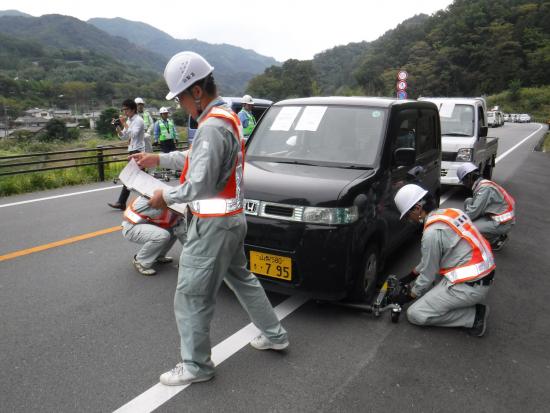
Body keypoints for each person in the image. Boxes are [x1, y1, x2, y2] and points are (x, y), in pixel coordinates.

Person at [130, 51, 289, 386]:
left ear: (197, 91)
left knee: (190, 296)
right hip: (231, 219)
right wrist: (159, 159)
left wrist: (164, 196)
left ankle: (197, 366)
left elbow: (199, 182)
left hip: (212, 226)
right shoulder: (226, 117)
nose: (182, 106)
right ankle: (275, 335)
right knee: (243, 280)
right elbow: (198, 157)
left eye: (183, 99)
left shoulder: (212, 125)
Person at [393, 184, 496, 337]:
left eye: (408, 215)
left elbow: (428, 275)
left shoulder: (431, 233)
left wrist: (407, 298)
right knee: (431, 288)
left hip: (470, 286)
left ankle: (474, 317)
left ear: (417, 208)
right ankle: (454, 301)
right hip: (483, 274)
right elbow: (431, 258)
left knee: (416, 314)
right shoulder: (453, 212)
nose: (409, 219)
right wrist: (411, 276)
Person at [122, 195, 187, 276]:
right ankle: (141, 262)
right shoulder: (160, 201)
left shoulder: (168, 199)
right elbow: (184, 234)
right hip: (131, 228)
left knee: (173, 230)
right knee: (163, 235)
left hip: (141, 224)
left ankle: (157, 256)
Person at [457, 162, 515, 251]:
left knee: (470, 229)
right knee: (468, 201)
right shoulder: (482, 184)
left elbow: (473, 212)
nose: (464, 184)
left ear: (469, 177)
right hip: (495, 215)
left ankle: (495, 240)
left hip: (502, 223)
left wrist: (457, 223)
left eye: (464, 181)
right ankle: (491, 232)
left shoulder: (484, 189)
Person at [108, 99, 145, 210]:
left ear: (133, 109)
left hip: (138, 151)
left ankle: (122, 202)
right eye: (123, 109)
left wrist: (124, 123)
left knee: (130, 177)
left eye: (126, 109)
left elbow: (133, 134)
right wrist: (117, 126)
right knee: (137, 178)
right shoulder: (129, 121)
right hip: (132, 151)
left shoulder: (138, 120)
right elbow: (124, 136)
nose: (124, 112)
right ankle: (147, 200)